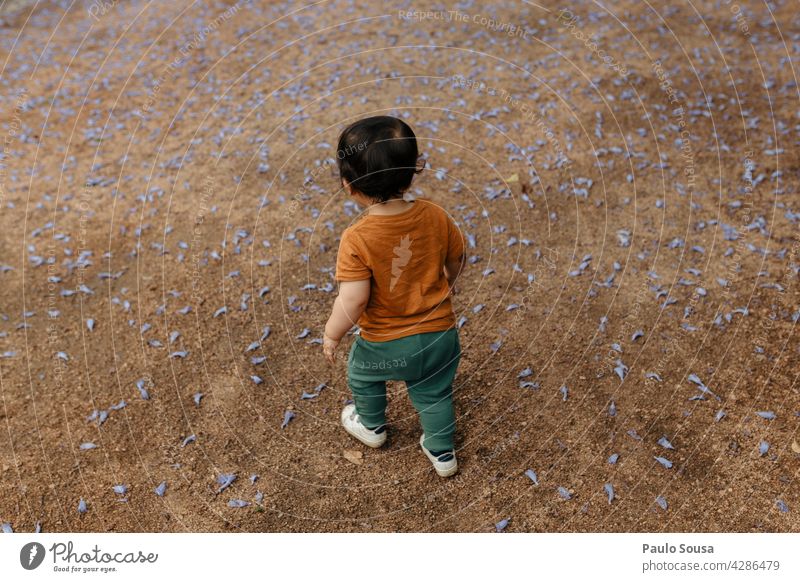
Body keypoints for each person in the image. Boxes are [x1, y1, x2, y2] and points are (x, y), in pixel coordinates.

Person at [322, 115, 465, 477]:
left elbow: (353, 300)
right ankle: (441, 451)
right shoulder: (437, 216)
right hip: (440, 338)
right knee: (434, 393)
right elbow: (457, 258)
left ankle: (371, 427)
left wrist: (332, 333)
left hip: (386, 346)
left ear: (348, 185)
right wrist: (449, 280)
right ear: (412, 170)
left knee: (362, 373)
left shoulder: (357, 238)